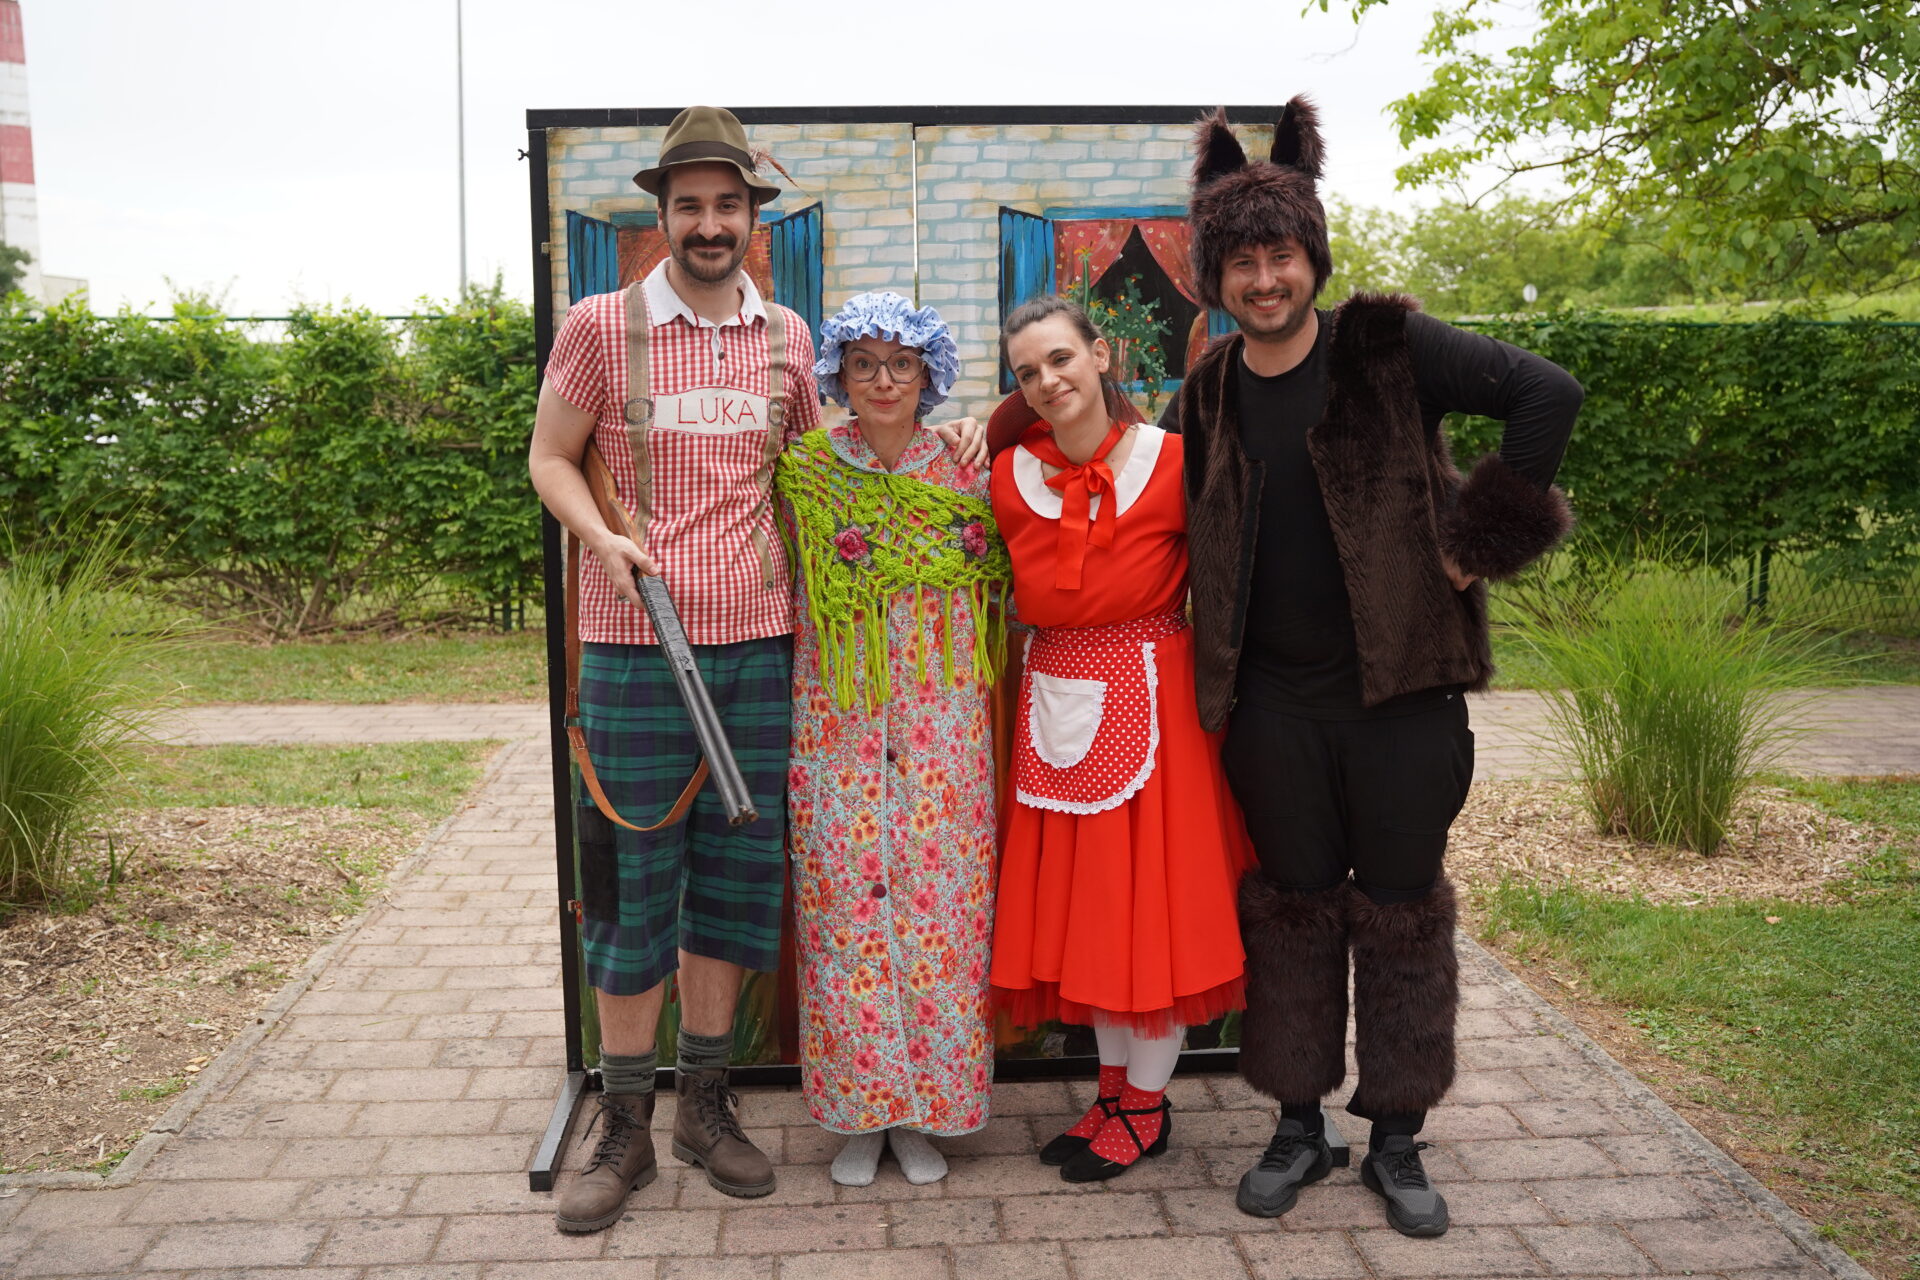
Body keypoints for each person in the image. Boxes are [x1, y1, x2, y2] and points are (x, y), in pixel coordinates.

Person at [1163, 99, 1580, 1237]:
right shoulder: (1205, 392)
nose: (1265, 280)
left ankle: (1396, 1137)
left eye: (1281, 256)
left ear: (1313, 256)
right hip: (1272, 710)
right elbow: (1127, 473)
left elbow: (1547, 393)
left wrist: (1479, 539)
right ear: (1216, 275)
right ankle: (1300, 1125)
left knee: (1401, 916)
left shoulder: (1389, 347)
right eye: (1242, 262)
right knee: (1292, 913)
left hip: (1403, 703)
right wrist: (993, 429)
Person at [987, 295, 1254, 1183]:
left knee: (1151, 914)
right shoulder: (1006, 475)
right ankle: (1112, 1095)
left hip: (1156, 707)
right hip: (1053, 703)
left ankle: (1145, 1106)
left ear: (1101, 356)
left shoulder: (1174, 461)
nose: (1048, 380)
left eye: (1061, 358)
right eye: (1028, 372)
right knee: (1090, 916)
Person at [777, 291, 1008, 1188]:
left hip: (940, 728)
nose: (883, 380)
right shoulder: (806, 471)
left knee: (941, 915)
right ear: (839, 374)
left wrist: (990, 424)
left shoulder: (963, 470)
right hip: (836, 723)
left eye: (902, 364)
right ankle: (860, 1113)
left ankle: (925, 1115)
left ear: (928, 375)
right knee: (844, 914)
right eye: (865, 364)